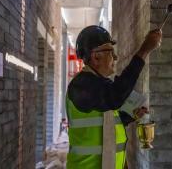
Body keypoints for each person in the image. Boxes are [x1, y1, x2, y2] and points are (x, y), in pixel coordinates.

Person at [66, 25, 162, 169]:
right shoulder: (81, 85)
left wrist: (129, 117)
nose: (115, 57)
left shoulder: (100, 85)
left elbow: (104, 122)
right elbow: (114, 97)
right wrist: (144, 50)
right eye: (111, 51)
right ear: (96, 56)